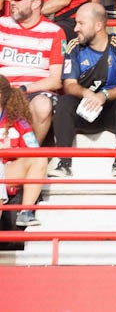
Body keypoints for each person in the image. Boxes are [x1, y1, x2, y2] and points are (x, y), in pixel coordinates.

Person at [49, 2, 116, 178]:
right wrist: (87, 94)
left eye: (81, 23)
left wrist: (104, 96)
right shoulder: (74, 46)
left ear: (98, 26)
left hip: (111, 111)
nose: (75, 28)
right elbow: (69, 84)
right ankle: (64, 163)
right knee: (64, 102)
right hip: (85, 110)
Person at [0, 0, 65, 141]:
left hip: (33, 92)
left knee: (43, 105)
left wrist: (23, 89)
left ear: (36, 3)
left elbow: (56, 80)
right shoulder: (2, 25)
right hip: (3, 88)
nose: (13, 2)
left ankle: (29, 154)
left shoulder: (55, 32)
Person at [0, 72, 46, 228]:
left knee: (39, 158)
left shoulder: (17, 121)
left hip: (8, 171)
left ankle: (25, 212)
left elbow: (33, 149)